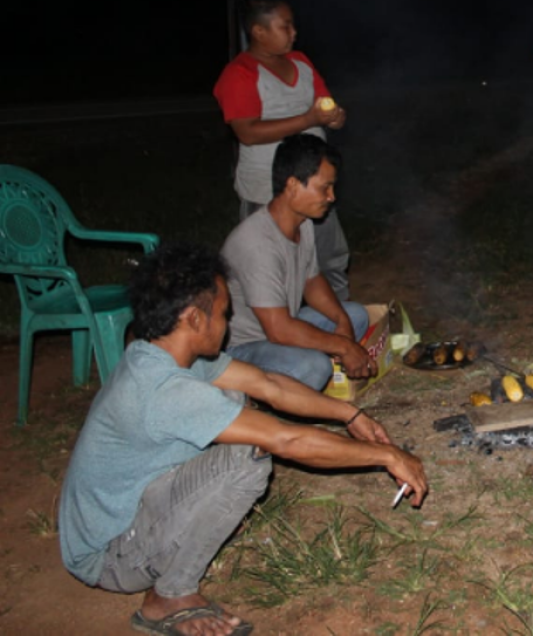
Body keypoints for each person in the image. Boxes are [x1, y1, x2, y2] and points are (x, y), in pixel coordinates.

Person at [59, 242, 427, 636]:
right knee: (247, 456)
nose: (228, 323)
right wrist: (386, 456)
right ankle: (169, 595)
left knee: (235, 396)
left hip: (128, 513)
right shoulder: (163, 389)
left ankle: (190, 528)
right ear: (193, 319)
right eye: (222, 313)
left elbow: (266, 383)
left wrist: (349, 413)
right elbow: (285, 440)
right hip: (112, 556)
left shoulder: (162, 353)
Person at [214, 0, 352, 300]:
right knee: (271, 271)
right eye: (285, 26)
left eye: (292, 25)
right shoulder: (239, 74)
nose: (294, 33)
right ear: (258, 31)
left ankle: (343, 331)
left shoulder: (301, 63)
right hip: (268, 190)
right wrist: (308, 119)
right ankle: (276, 339)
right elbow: (247, 132)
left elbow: (323, 105)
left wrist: (333, 117)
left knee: (330, 262)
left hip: (316, 185)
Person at [221, 133, 374, 391]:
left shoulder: (303, 223)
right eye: (324, 187)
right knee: (314, 367)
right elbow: (278, 331)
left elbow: (312, 280)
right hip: (244, 348)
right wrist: (343, 345)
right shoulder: (256, 243)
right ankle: (261, 390)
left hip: (281, 326)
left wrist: (341, 321)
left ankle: (301, 375)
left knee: (356, 315)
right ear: (293, 185)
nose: (331, 196)